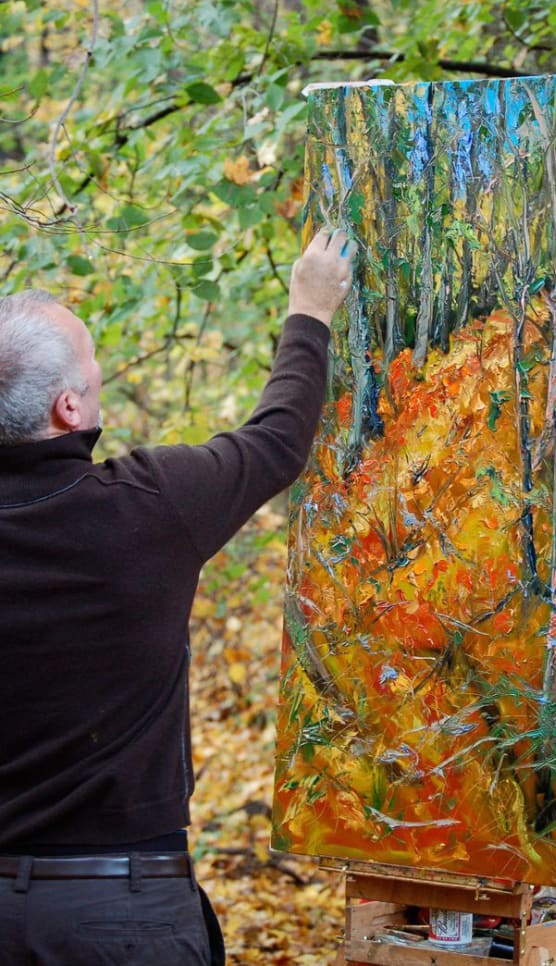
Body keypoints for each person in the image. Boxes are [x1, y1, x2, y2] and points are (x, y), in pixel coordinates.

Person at [0, 227, 356, 965]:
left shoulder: (144, 501)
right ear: (69, 408)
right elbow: (278, 439)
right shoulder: (145, 505)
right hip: (120, 913)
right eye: (95, 371)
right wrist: (309, 312)